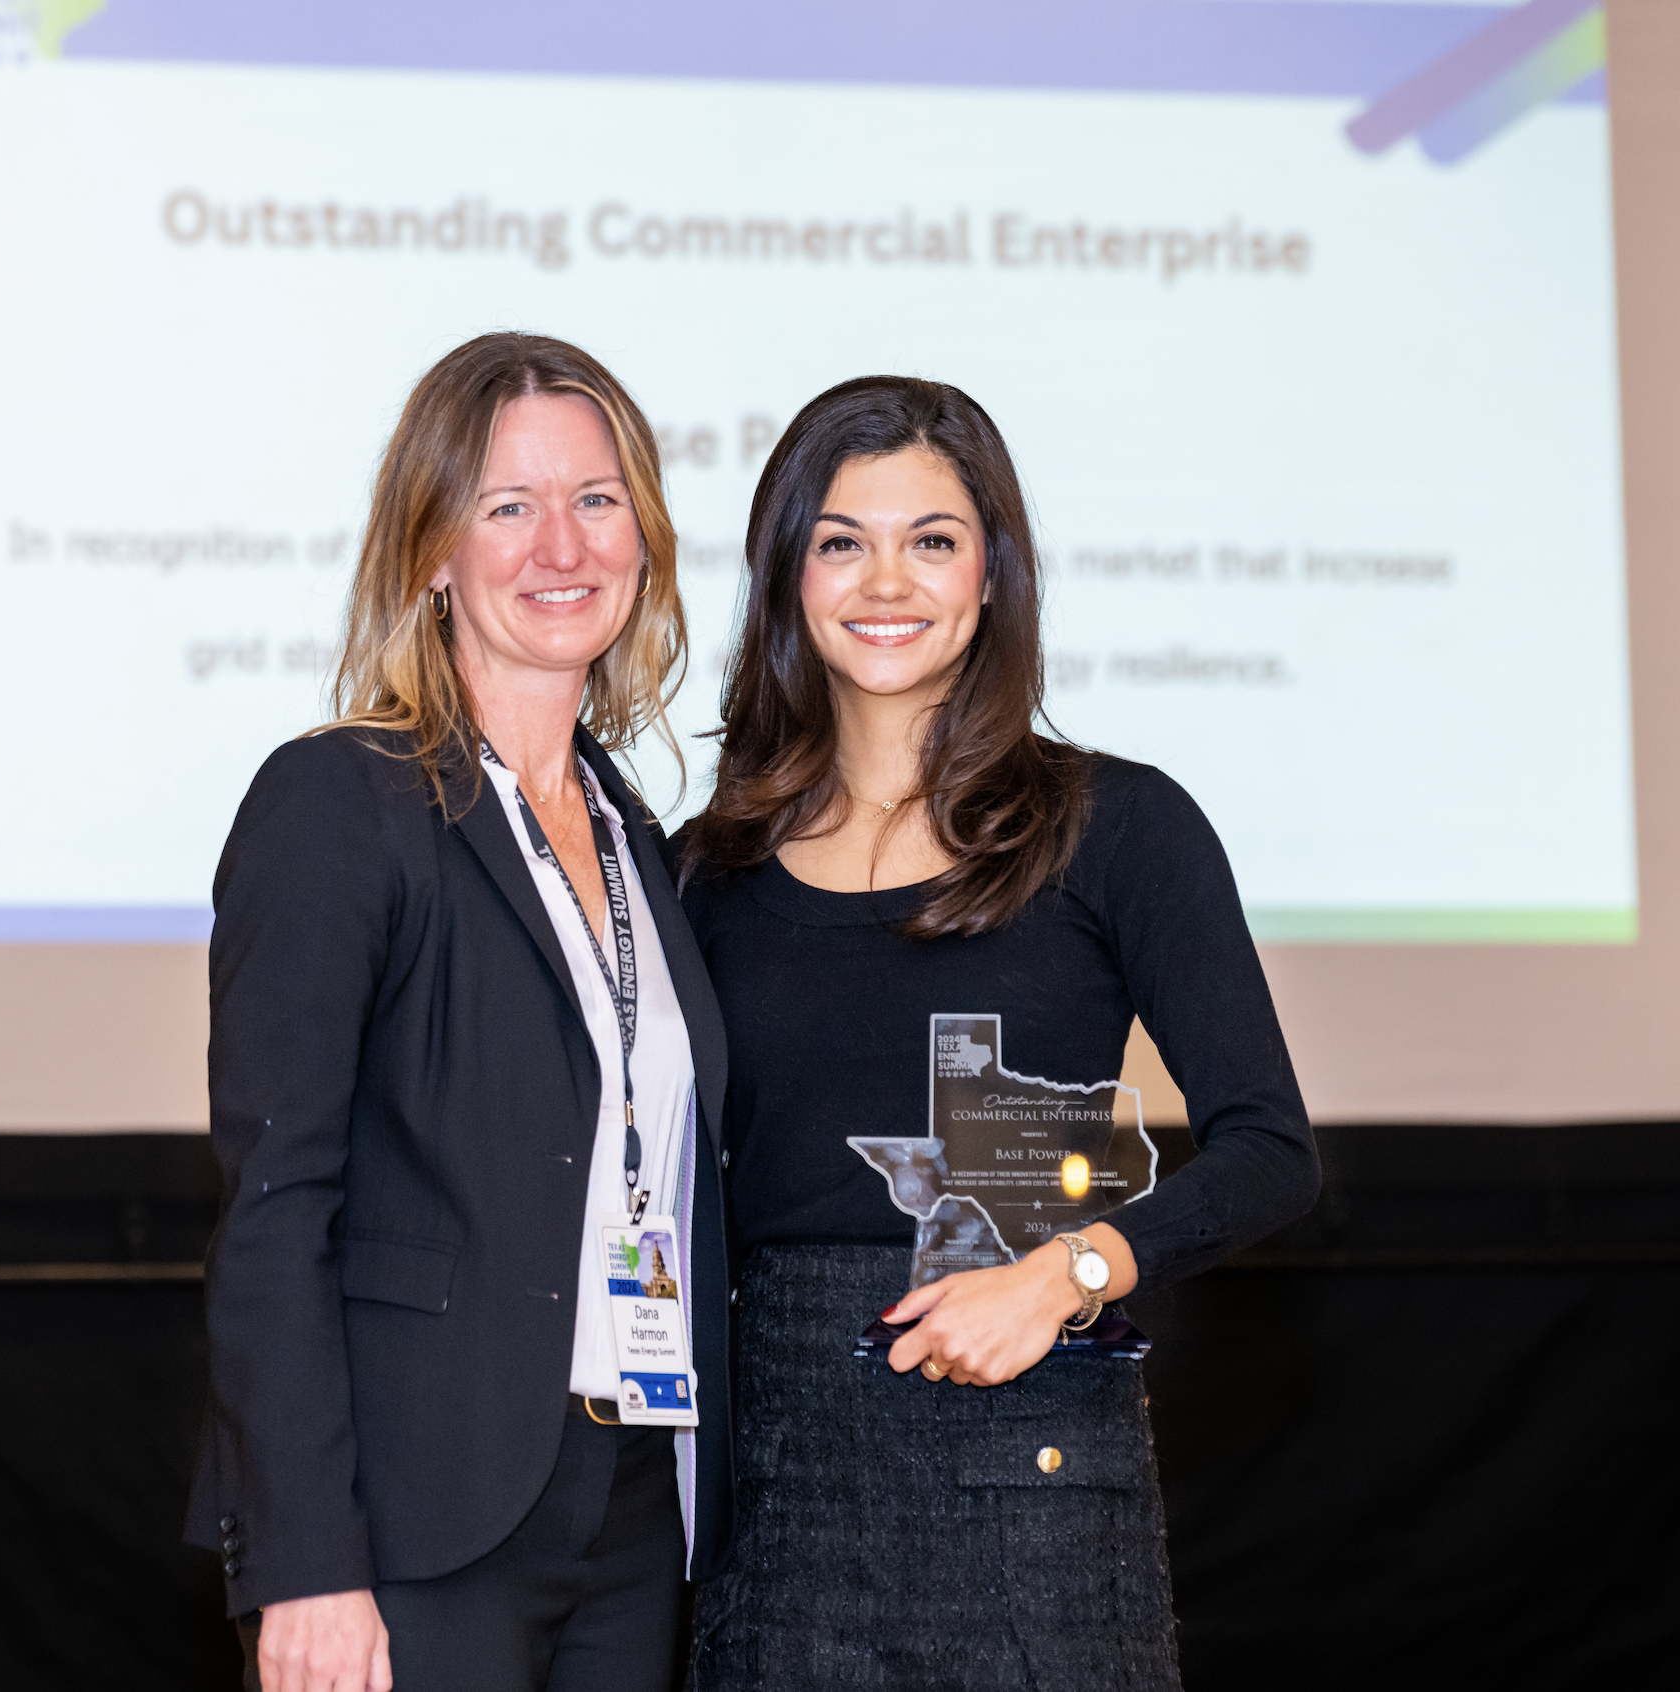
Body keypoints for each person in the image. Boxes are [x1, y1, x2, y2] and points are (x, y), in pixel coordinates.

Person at [677, 376, 1320, 1689]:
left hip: (1031, 1453)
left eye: (931, 540)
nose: (885, 580)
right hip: (777, 1480)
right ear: (786, 575)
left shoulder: (1114, 826)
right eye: (840, 540)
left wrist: (1065, 1274)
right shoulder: (705, 870)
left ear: (989, 576)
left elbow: (1271, 1152)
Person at [188, 332, 732, 1692]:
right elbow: (276, 1205)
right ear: (431, 549)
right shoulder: (340, 802)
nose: (562, 544)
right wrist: (305, 1560)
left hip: (627, 1501)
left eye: (597, 501)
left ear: (645, 537)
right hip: (415, 1518)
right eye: (507, 506)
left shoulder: (636, 838)